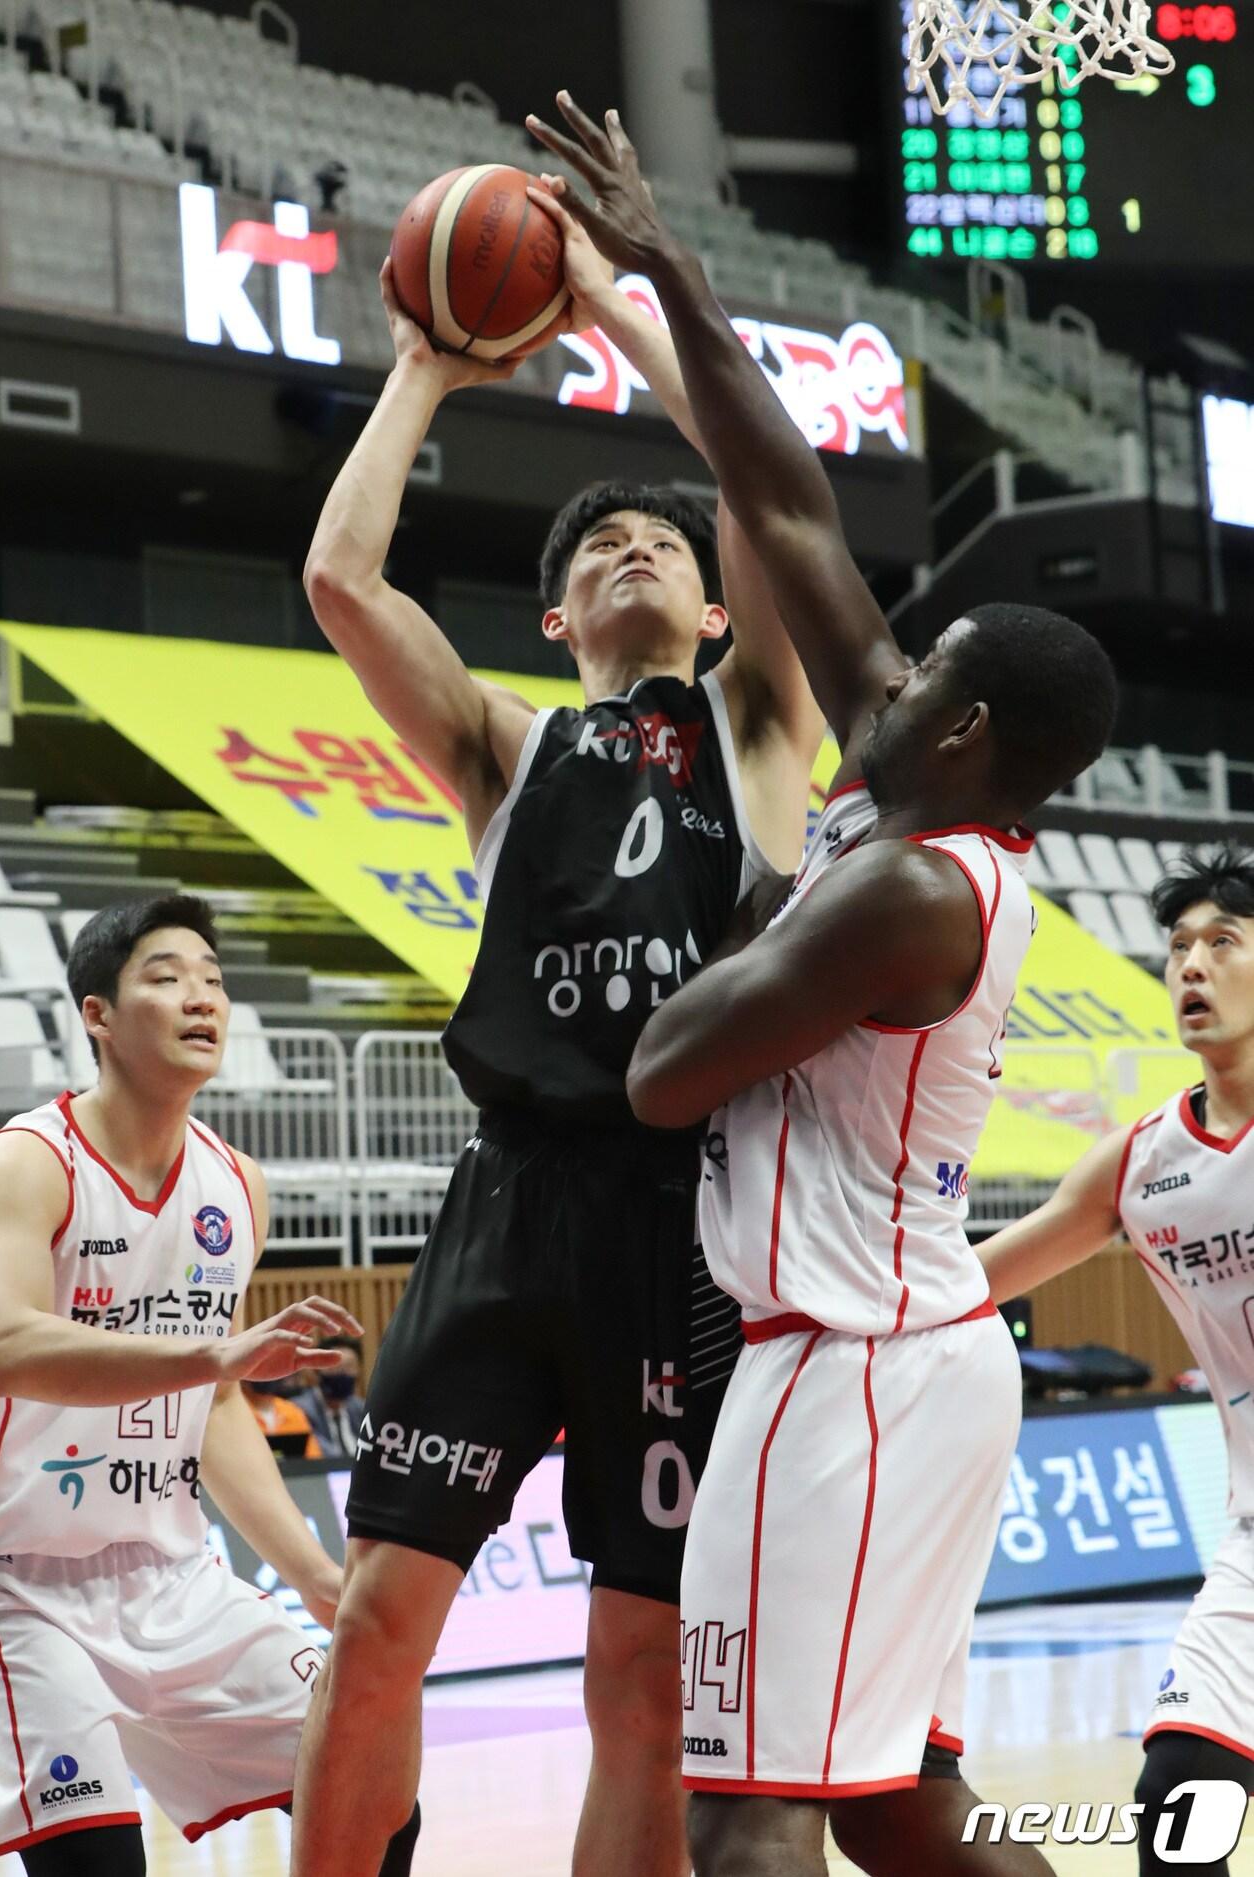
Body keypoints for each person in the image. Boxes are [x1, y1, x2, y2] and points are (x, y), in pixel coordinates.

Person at [527, 90, 1119, 1877]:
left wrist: (763, 896)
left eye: (926, 667)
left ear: (968, 727)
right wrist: (668, 275)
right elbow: (783, 498)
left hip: (850, 1372)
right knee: (905, 1820)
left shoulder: (915, 896)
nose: (893, 661)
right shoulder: (909, 773)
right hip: (896, 1358)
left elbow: (666, 1070)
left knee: (750, 1816)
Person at [289, 206, 824, 1876]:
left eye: (663, 542)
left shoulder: (761, 721)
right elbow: (341, 581)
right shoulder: (508, 748)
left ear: (721, 612)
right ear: (555, 620)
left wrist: (612, 311)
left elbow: (768, 486)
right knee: (377, 1618)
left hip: (687, 1222)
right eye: (599, 549)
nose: (636, 549)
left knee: (640, 1680)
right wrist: (420, 369)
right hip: (510, 1204)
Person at [0, 895, 419, 1876]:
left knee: (374, 1786)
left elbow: (211, 1405)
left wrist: (315, 1573)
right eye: (168, 976)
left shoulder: (236, 1184)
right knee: (99, 1862)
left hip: (170, 1574)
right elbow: (5, 1345)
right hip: (12, 1578)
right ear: (98, 1014)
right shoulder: (25, 1163)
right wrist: (210, 1358)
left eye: (214, 980)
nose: (201, 997)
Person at [981, 844, 1254, 1877]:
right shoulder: (1142, 1162)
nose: (1192, 964)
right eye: (1177, 946)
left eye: (1222, 941)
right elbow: (975, 1279)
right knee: (1177, 1796)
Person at [296, 1338, 365, 1461]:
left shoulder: (362, 1409)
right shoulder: (300, 1410)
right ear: (317, 1370)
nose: (342, 1373)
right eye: (335, 1367)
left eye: (349, 1367)